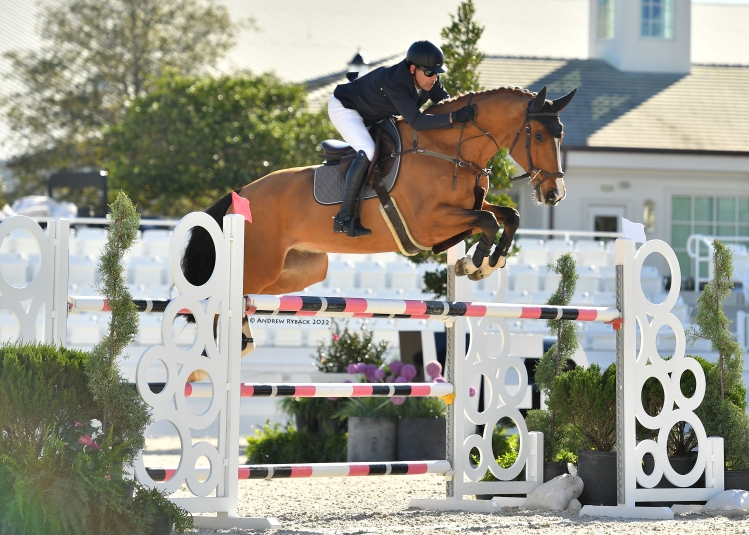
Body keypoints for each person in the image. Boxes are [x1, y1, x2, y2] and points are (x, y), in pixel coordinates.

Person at [328, 40, 477, 237]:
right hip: (346, 109)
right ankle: (344, 217)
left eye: (437, 72)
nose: (434, 78)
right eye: (430, 72)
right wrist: (452, 118)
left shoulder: (429, 80)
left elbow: (444, 105)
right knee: (369, 150)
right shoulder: (396, 82)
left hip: (374, 114)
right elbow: (416, 120)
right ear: (413, 68)